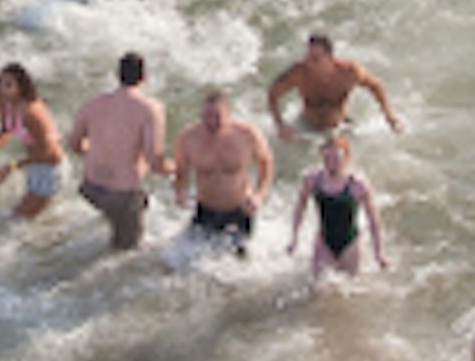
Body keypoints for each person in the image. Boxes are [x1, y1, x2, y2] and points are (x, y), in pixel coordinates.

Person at [69, 52, 169, 251]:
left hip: (91, 188)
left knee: (114, 220)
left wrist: (99, 152)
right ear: (144, 77)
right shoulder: (149, 109)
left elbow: (74, 144)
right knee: (126, 253)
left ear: (117, 75)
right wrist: (173, 169)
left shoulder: (93, 104)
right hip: (123, 194)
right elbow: (152, 157)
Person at [174, 89, 276, 255]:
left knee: (238, 267)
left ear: (228, 114)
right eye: (206, 117)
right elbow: (181, 171)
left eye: (217, 117)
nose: (211, 122)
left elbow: (266, 162)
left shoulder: (246, 135)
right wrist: (180, 191)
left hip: (239, 210)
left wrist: (259, 195)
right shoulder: (188, 138)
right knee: (190, 267)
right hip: (206, 209)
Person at [266, 32, 406, 137]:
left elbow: (375, 86)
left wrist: (389, 116)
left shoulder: (349, 71)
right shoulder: (299, 73)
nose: (309, 63)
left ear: (330, 59)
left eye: (315, 59)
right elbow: (273, 94)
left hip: (340, 126)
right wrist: (280, 124)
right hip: (307, 127)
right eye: (308, 57)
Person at [0, 65, 65, 219]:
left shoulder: (32, 113)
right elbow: (7, 129)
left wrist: (11, 167)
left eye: (8, 85)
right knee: (29, 217)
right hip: (34, 164)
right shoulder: (6, 104)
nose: (2, 89)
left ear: (21, 87)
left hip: (49, 168)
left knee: (18, 217)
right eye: (0, 83)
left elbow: (49, 152)